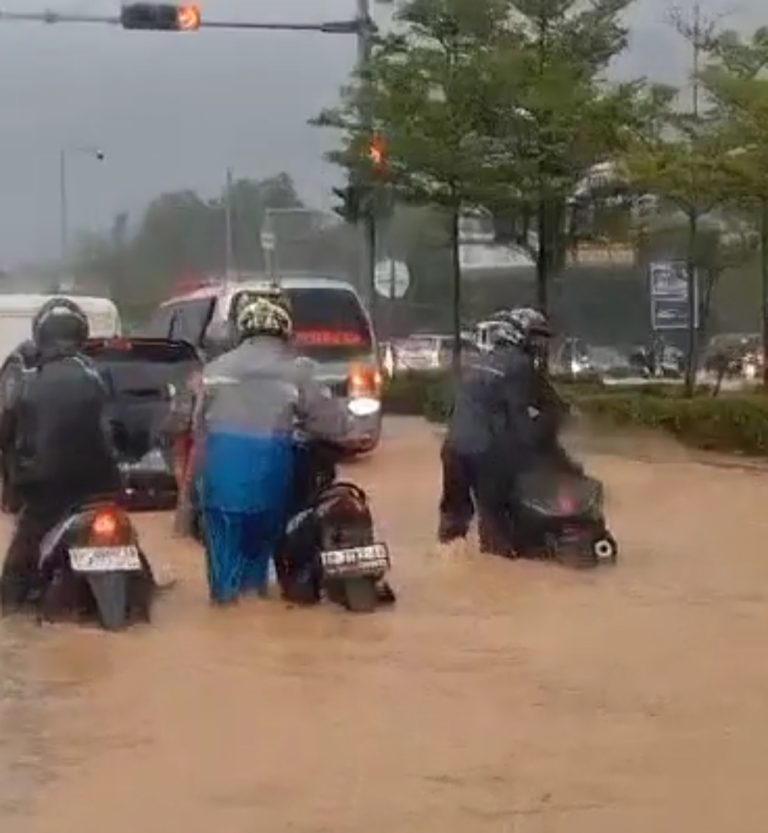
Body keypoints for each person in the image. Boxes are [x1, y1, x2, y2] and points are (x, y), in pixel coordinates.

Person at [191, 288, 348, 605]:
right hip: (271, 480)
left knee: (224, 568)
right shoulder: (300, 372)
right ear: (286, 330)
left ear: (242, 329)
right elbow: (332, 424)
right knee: (259, 555)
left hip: (219, 483)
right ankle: (257, 603)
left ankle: (227, 611)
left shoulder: (213, 371)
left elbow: (193, 425)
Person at [0, 298, 121, 612]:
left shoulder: (25, 376)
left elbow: (5, 429)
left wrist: (12, 478)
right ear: (81, 335)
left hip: (43, 488)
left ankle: (12, 607)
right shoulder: (99, 374)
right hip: (100, 486)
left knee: (21, 560)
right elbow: (119, 428)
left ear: (41, 336)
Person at [438, 307, 552, 557]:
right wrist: (537, 450)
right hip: (486, 451)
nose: (540, 344)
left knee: (454, 517)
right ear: (518, 335)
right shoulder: (520, 366)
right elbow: (519, 413)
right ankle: (497, 566)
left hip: (453, 447)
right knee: (496, 521)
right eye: (536, 337)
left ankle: (448, 562)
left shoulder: (480, 361)